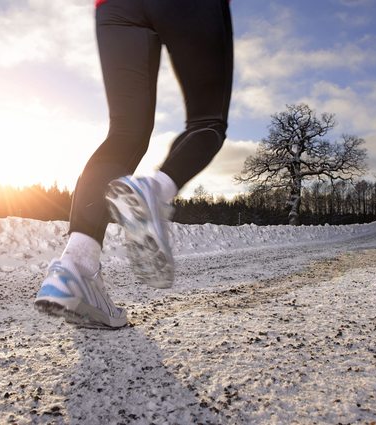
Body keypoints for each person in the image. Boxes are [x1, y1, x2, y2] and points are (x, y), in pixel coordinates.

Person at [34, 0, 233, 328]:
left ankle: (74, 267)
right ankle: (153, 191)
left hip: (114, 7)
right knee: (207, 123)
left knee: (124, 133)